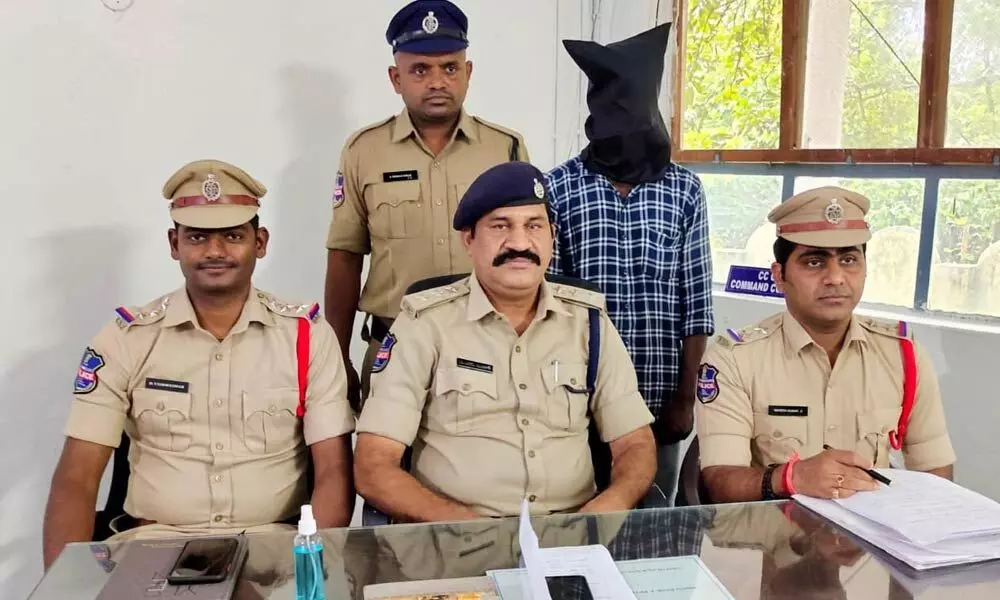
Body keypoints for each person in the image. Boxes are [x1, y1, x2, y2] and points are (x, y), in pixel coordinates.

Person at [43, 160, 355, 569]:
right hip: (153, 549)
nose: (214, 252)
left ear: (260, 242)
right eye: (197, 237)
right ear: (174, 244)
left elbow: (333, 470)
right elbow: (77, 478)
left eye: (232, 236)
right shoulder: (126, 339)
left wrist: (313, 569)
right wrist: (65, 588)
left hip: (273, 550)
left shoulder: (307, 337)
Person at [353, 161, 656, 522]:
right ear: (469, 239)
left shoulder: (589, 322)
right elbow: (373, 464)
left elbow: (635, 444)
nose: (519, 243)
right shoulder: (425, 324)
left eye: (534, 226)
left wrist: (604, 513)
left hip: (570, 536)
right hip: (456, 539)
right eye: (500, 226)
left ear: (551, 236)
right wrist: (469, 529)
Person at [324, 0, 531, 413]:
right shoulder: (364, 151)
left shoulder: (504, 148)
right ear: (395, 78)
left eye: (450, 68)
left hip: (488, 350)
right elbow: (345, 255)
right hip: (392, 347)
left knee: (478, 473)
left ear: (468, 73)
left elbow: (527, 254)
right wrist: (335, 358)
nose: (437, 81)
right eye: (420, 70)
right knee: (383, 470)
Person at [695, 186, 956, 504]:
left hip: (871, 545)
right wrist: (791, 478)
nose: (836, 277)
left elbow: (935, 471)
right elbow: (718, 483)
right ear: (779, 275)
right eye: (814, 263)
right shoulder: (734, 359)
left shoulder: (902, 354)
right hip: (770, 544)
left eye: (849, 260)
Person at [545, 23, 714, 507]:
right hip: (578, 399)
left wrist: (686, 397)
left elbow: (696, 302)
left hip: (661, 400)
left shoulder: (684, 190)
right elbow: (551, 305)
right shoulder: (559, 188)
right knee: (582, 524)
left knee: (651, 531)